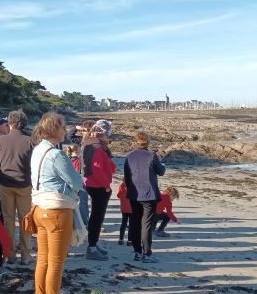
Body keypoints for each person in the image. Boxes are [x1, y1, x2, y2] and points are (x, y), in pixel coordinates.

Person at [30, 112, 85, 293]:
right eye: (63, 126)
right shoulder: (56, 154)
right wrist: (78, 160)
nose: (66, 129)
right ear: (54, 129)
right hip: (56, 211)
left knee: (43, 259)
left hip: (39, 208)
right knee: (56, 263)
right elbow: (77, 182)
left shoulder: (38, 149)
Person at [0, 110, 35, 264]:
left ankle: (10, 253)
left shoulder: (1, 141)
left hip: (5, 184)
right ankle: (26, 254)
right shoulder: (30, 141)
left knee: (8, 220)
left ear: (10, 123)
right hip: (24, 184)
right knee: (25, 220)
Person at [124, 131, 166, 263]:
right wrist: (162, 164)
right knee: (146, 224)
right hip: (148, 194)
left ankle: (137, 252)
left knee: (135, 223)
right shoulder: (152, 155)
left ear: (136, 142)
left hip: (134, 194)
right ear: (147, 142)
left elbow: (126, 177)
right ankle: (147, 253)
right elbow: (161, 171)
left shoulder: (129, 156)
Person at [81, 119, 116, 261]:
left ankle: (93, 243)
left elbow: (98, 164)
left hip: (90, 183)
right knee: (97, 217)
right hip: (98, 186)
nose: (108, 137)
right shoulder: (97, 147)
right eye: (107, 134)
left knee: (96, 217)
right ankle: (92, 247)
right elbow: (96, 168)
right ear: (103, 133)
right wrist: (106, 185)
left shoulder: (88, 143)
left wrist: (111, 166)